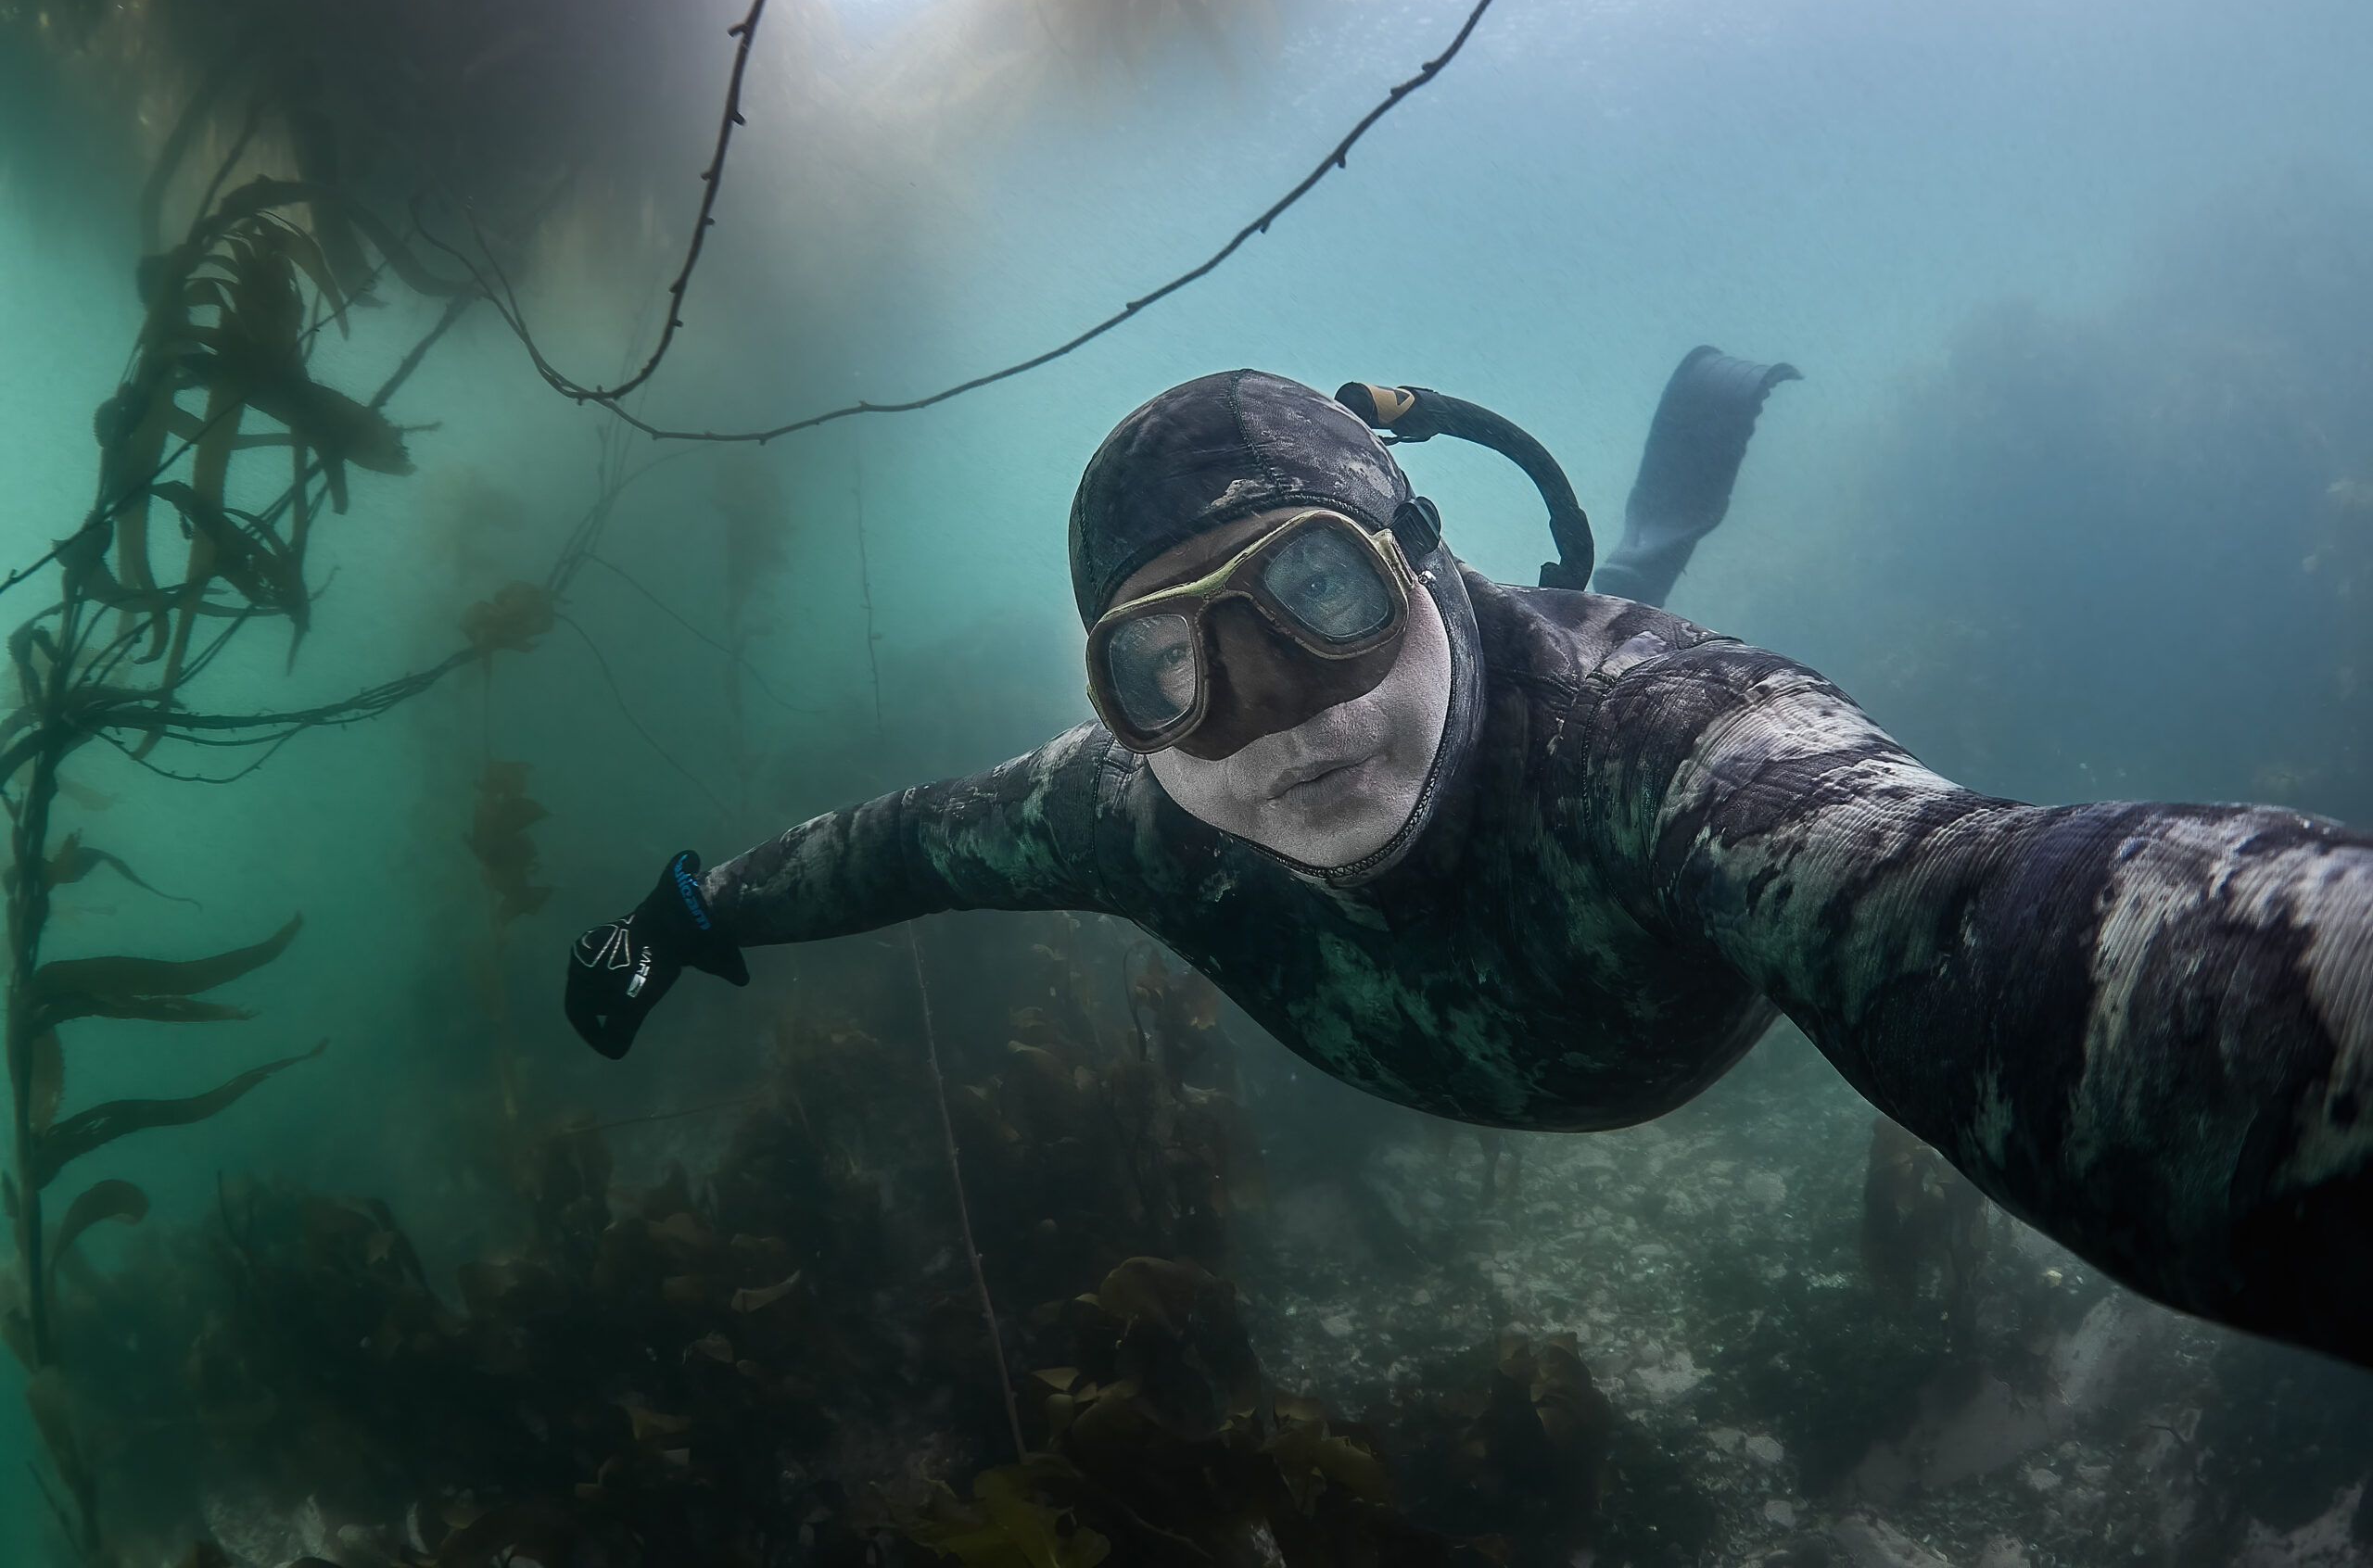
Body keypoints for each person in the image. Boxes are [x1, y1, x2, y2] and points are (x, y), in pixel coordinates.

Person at [563, 364, 2373, 1369]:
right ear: (1115, 701)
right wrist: (687, 912)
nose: (1271, 718)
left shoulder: (1683, 747)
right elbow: (888, 850)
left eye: (1314, 594)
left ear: (1417, 559)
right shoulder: (1122, 808)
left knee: (1626, 601)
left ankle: (1642, 524)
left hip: (1599, 739)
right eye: (1166, 669)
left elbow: (1966, 905)